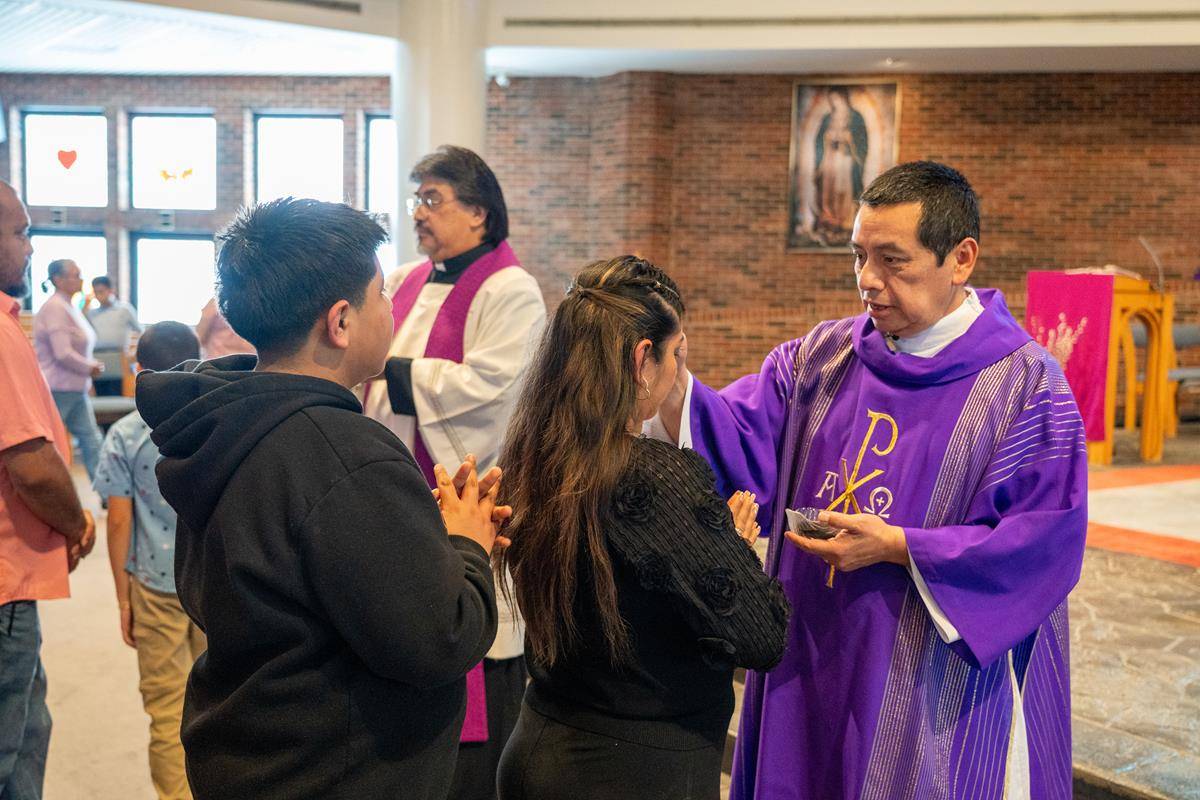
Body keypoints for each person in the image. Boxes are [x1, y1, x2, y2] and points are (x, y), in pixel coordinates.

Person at [656, 161, 1086, 800]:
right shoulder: (820, 358)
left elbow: (1042, 543)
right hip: (809, 647)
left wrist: (901, 547)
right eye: (859, 256)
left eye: (892, 260)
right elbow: (736, 436)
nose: (867, 280)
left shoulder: (1025, 388)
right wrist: (669, 376)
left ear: (960, 258)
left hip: (925, 679)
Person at [135, 197, 504, 800]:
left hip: (252, 746)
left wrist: (412, 536)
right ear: (340, 322)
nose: (390, 309)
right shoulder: (345, 455)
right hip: (333, 769)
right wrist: (467, 543)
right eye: (382, 294)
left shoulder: (224, 422)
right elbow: (441, 640)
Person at [495, 256, 789, 800]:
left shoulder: (533, 456)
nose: (679, 372)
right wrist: (733, 549)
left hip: (540, 740)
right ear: (641, 359)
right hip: (636, 767)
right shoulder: (657, 475)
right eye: (677, 355)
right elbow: (762, 636)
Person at [361, 144, 545, 799]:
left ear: (479, 213)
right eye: (416, 199)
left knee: (464, 647)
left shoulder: (510, 289)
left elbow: (498, 390)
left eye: (433, 200)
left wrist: (393, 373)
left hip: (462, 506)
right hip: (388, 493)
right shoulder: (406, 279)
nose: (418, 213)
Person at [0, 179, 96, 800]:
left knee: (28, 733)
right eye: (20, 232)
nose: (29, 247)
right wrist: (76, 522)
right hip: (4, 582)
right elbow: (30, 463)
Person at [94, 321, 205, 800]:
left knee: (166, 709)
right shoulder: (217, 421)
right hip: (212, 581)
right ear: (200, 362)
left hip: (156, 586)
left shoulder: (125, 434)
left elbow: (119, 521)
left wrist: (124, 599)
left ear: (139, 370)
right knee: (223, 697)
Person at [33, 259, 104, 481]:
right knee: (52, 442)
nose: (81, 279)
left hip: (75, 388)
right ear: (58, 279)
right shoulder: (55, 307)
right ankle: (49, 489)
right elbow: (62, 353)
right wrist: (89, 367)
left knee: (92, 440)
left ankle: (106, 492)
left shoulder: (70, 305)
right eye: (76, 275)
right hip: (58, 387)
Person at [86, 275, 142, 396]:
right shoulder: (90, 314)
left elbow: (140, 332)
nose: (98, 295)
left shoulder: (125, 310)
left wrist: (134, 353)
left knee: (120, 395)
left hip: (120, 358)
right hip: (98, 358)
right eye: (96, 292)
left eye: (101, 291)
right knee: (99, 397)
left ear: (111, 290)